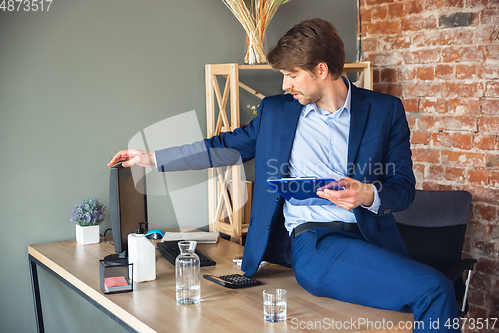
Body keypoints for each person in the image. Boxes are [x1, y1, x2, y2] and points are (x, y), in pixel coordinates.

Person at [109, 18, 460, 332]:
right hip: (316, 243)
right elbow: (222, 146)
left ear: (321, 70)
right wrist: (152, 158)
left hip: (373, 242)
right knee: (437, 289)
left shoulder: (384, 111)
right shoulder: (276, 113)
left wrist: (368, 194)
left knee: (432, 292)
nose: (285, 84)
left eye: (292, 74)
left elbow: (404, 188)